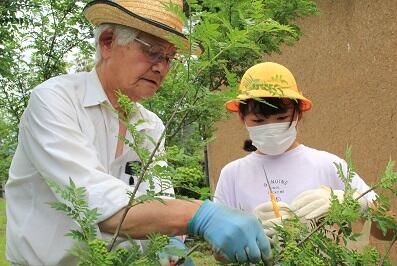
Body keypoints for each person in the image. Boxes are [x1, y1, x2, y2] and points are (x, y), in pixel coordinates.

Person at [5, 1, 271, 265]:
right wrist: (202, 216)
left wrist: (172, 244)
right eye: (153, 51)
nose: (162, 68)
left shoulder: (150, 126)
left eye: (169, 58)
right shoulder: (55, 101)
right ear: (107, 42)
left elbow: (158, 198)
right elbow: (97, 206)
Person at [214, 61, 379, 243]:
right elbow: (218, 251)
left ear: (298, 114)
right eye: (259, 121)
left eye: (282, 118)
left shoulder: (328, 165)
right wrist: (245, 236)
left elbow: (389, 230)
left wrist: (357, 202)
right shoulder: (232, 174)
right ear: (241, 117)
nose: (271, 128)